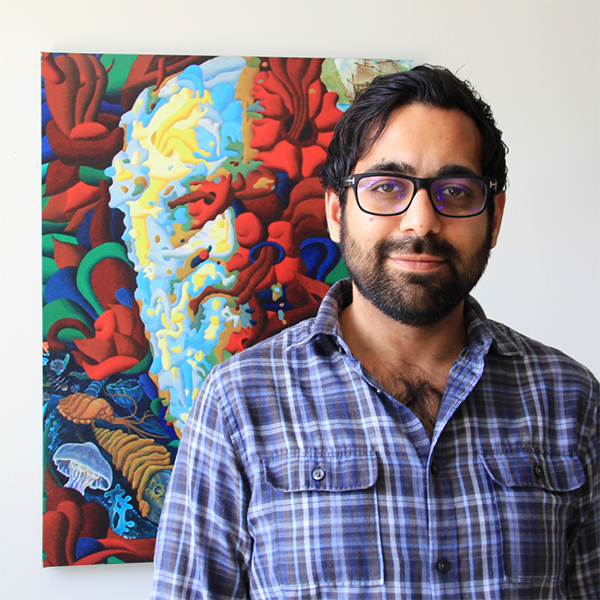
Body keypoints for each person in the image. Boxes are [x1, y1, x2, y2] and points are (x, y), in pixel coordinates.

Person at [151, 65, 599, 599]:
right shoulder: (238, 402)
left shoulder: (570, 399)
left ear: (494, 217)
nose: (421, 222)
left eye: (455, 191)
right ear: (337, 212)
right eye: (388, 186)